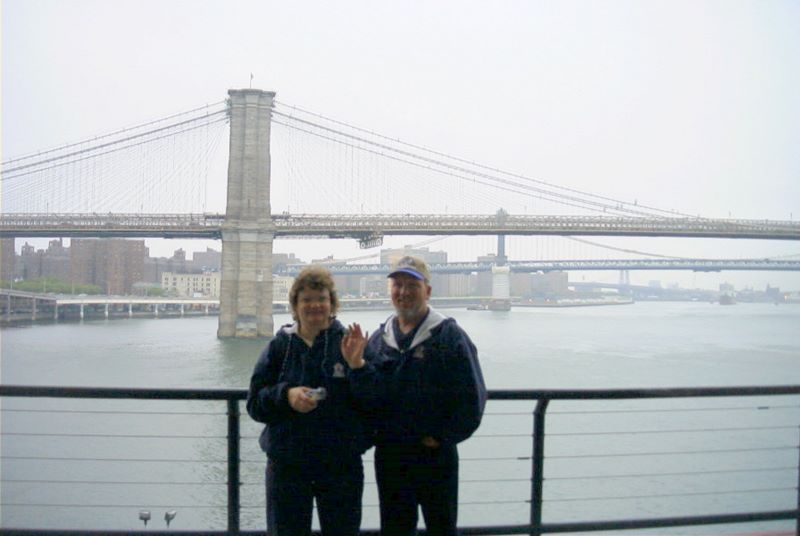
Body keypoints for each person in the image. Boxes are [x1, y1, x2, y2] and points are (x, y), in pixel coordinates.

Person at [344, 255, 487, 536]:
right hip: (391, 456)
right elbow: (368, 398)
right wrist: (356, 366)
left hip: (435, 456)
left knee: (441, 527)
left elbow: (472, 397)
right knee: (395, 529)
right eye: (397, 285)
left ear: (428, 291)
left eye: (412, 285)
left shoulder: (450, 337)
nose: (404, 292)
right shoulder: (378, 340)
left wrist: (443, 437)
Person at [246, 266, 372, 536]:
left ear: (332, 303)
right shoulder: (279, 346)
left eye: (322, 298)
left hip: (341, 465)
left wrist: (358, 365)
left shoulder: (351, 343)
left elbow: (373, 402)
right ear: (294, 305)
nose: (315, 305)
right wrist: (286, 395)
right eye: (306, 299)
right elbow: (254, 403)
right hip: (287, 465)